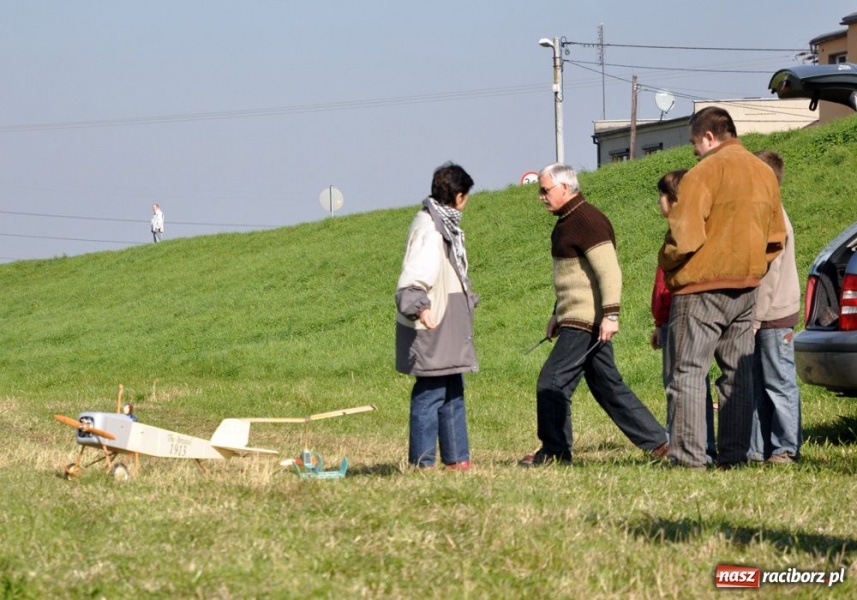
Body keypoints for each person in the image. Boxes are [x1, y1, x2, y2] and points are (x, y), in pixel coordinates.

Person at [658, 107, 786, 469]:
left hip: (700, 289)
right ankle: (733, 458)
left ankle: (688, 460)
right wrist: (753, 268)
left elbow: (683, 237)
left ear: (709, 137)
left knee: (688, 373)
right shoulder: (764, 173)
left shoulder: (703, 172)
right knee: (738, 377)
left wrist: (666, 262)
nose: (694, 151)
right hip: (746, 289)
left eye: (694, 143)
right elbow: (777, 238)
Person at [519, 162, 669, 467]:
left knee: (552, 383)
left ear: (564, 188)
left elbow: (609, 272)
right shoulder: (566, 221)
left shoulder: (588, 220)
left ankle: (554, 452)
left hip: (586, 323)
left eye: (544, 190)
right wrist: (556, 314)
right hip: (574, 318)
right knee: (608, 387)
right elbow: (572, 278)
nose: (541, 196)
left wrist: (611, 315)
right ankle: (660, 443)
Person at [395, 162, 478, 471]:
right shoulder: (431, 229)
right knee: (430, 392)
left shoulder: (442, 225)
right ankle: (422, 462)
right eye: (466, 195)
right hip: (432, 319)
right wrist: (421, 307)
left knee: (452, 389)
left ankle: (457, 458)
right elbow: (414, 276)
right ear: (457, 196)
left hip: (447, 319)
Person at [650, 170, 717, 463]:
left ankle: (685, 448)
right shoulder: (680, 228)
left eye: (662, 196)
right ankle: (703, 446)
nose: (659, 202)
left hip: (680, 314)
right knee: (692, 381)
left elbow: (669, 284)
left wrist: (664, 319)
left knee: (680, 384)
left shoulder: (682, 232)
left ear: (675, 200)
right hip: (670, 319)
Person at [749, 150, 802, 464]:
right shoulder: (762, 212)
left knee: (778, 383)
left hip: (773, 315)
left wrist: (754, 318)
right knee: (759, 383)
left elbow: (770, 273)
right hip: (762, 316)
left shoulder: (774, 217)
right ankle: (759, 447)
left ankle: (784, 448)